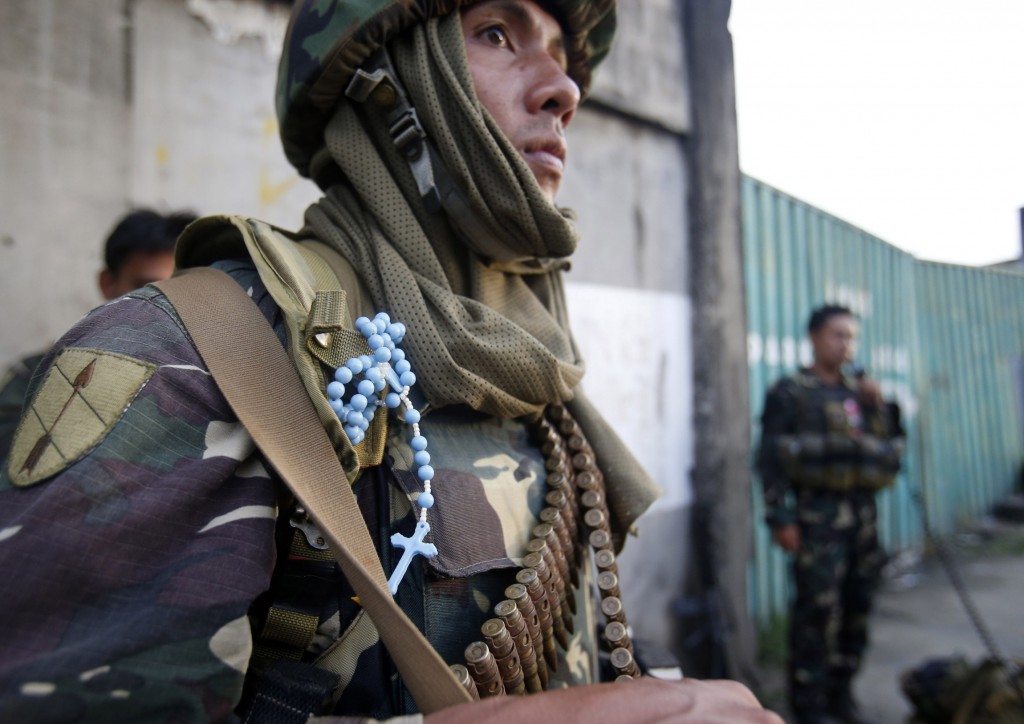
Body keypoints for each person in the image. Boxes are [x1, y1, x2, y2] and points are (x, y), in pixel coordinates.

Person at [0, 2, 781, 722]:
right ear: (385, 86)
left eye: (562, 54)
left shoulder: (527, 364)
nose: (562, 89)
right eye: (497, 34)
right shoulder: (195, 352)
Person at [757, 305, 905, 724]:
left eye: (852, 337)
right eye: (837, 335)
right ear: (815, 338)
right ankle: (809, 705)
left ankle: (842, 695)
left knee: (858, 607)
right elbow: (770, 461)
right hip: (814, 519)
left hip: (862, 518)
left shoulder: (861, 394)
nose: (846, 345)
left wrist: (881, 408)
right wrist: (780, 519)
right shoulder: (789, 392)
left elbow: (890, 451)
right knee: (815, 614)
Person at [0, 208, 195, 461]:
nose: (160, 303)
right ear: (107, 283)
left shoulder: (206, 380)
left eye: (174, 289)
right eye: (145, 288)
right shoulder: (36, 375)